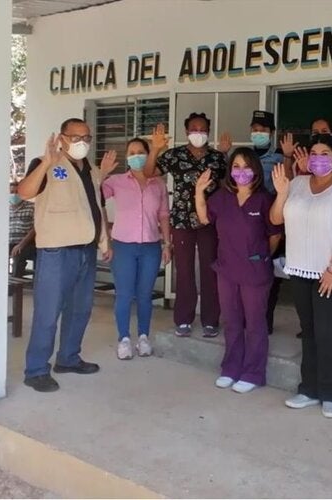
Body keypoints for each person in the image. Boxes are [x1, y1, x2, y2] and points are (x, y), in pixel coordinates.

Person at [270, 134, 332, 419]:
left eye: (325, 153)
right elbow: (276, 219)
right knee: (308, 330)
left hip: (330, 273)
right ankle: (308, 389)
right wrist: (282, 193)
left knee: (325, 333)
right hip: (299, 269)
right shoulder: (296, 184)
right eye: (314, 153)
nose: (319, 158)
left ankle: (331, 392)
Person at [18, 118, 113, 393]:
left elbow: (95, 206)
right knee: (48, 313)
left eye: (87, 137)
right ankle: (36, 370)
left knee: (80, 310)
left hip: (86, 250)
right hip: (56, 253)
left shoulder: (90, 169)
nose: (82, 142)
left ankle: (68, 358)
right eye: (75, 137)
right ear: (62, 138)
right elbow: (24, 192)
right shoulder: (45, 162)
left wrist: (105, 241)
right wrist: (47, 162)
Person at [194, 147, 282, 393]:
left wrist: (261, 255)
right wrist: (199, 191)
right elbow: (204, 218)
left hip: (255, 271)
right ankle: (231, 368)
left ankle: (253, 373)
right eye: (236, 167)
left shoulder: (264, 199)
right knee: (232, 321)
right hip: (227, 269)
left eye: (246, 167)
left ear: (255, 170)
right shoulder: (222, 197)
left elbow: (274, 234)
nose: (241, 172)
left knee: (254, 323)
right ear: (230, 170)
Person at [143, 113, 226, 338]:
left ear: (208, 131)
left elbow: (228, 187)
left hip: (210, 221)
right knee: (184, 271)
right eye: (193, 128)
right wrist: (155, 149)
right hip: (181, 220)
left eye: (202, 128)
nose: (197, 132)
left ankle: (210, 320)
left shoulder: (218, 158)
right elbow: (149, 173)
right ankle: (183, 319)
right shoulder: (175, 155)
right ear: (186, 131)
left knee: (211, 271)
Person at [218, 110, 295, 335]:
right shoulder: (244, 158)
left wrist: (289, 157)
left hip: (271, 220)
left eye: (262, 130)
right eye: (255, 129)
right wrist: (224, 155)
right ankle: (241, 321)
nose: (258, 133)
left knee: (267, 273)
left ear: (271, 133)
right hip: (245, 223)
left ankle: (264, 322)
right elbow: (230, 183)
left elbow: (287, 184)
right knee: (243, 273)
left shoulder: (280, 157)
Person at [101, 137, 172, 360]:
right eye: (132, 152)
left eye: (140, 151)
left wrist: (167, 243)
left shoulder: (159, 184)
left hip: (151, 246)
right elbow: (94, 197)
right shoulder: (116, 181)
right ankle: (123, 338)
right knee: (123, 294)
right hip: (123, 246)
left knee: (144, 295)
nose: (136, 155)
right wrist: (102, 173)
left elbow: (163, 215)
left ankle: (143, 337)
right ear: (127, 157)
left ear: (149, 153)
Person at [9, 180, 36, 278]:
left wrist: (21, 244)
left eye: (17, 192)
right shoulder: (4, 207)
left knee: (18, 254)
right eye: (12, 192)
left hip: (26, 244)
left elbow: (35, 228)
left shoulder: (31, 207)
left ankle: (15, 289)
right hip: (8, 243)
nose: (14, 195)